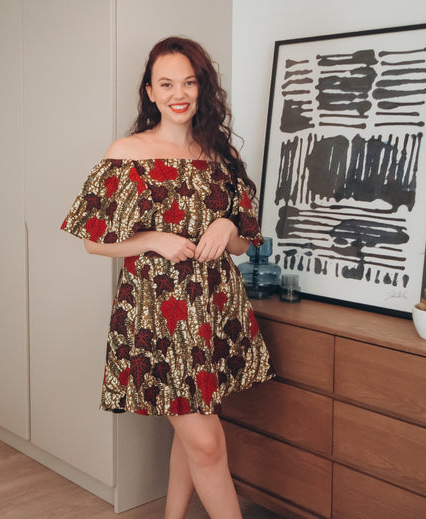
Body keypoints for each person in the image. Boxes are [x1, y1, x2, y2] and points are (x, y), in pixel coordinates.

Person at [61, 36, 274, 519]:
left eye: (189, 82)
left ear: (202, 89)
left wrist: (227, 224)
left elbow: (243, 243)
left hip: (214, 312)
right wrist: (153, 239)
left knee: (193, 432)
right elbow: (93, 240)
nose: (179, 93)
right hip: (157, 316)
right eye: (167, 83)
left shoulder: (220, 157)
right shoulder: (128, 152)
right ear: (151, 92)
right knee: (206, 443)